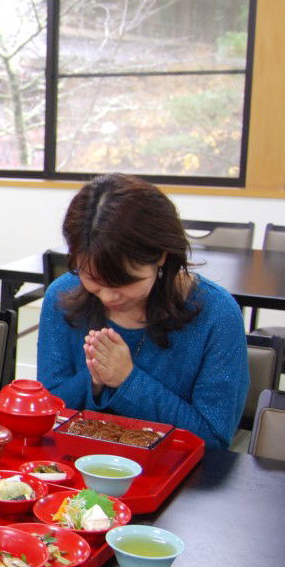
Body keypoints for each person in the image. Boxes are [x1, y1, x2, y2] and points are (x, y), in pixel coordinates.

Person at [37, 174, 248, 450]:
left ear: (160, 255)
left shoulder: (216, 316)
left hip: (174, 479)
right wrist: (94, 379)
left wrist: (128, 380)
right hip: (73, 470)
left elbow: (213, 440)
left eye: (124, 281)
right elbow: (46, 413)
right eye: (93, 280)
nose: (109, 296)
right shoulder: (62, 297)